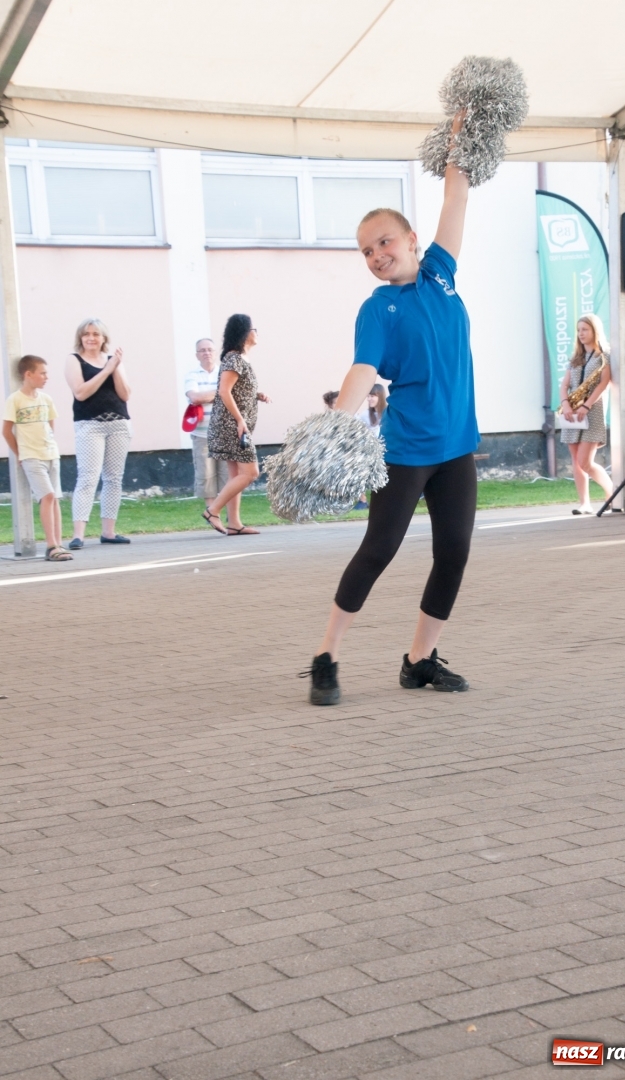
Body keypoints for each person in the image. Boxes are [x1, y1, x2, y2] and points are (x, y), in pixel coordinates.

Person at [306, 111, 478, 706]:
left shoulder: (441, 276)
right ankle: (326, 655)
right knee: (378, 550)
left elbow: (456, 193)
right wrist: (334, 427)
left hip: (457, 446)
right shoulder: (377, 309)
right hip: (406, 450)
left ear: (411, 241)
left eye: (384, 241)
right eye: (366, 251)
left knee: (453, 553)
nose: (376, 254)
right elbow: (362, 370)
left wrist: (459, 136)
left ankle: (419, 660)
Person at [65, 318, 132, 549]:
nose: (91, 338)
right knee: (88, 477)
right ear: (80, 338)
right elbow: (81, 393)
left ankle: (109, 532)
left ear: (104, 338)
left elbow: (125, 394)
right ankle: (78, 535)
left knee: (114, 478)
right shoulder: (74, 360)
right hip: (89, 425)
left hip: (119, 424)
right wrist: (107, 370)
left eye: (96, 334)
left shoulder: (113, 361)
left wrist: (115, 368)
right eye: (86, 334)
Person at [202, 314, 271, 536]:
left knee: (236, 476)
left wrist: (256, 395)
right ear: (244, 332)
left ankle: (234, 524)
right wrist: (241, 420)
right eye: (254, 328)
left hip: (235, 425)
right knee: (251, 473)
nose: (257, 332)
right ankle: (213, 510)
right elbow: (223, 391)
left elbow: (237, 389)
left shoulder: (239, 359)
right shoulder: (234, 359)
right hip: (233, 427)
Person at [2, 355, 71, 561]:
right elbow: (6, 431)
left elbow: (50, 425)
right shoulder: (15, 400)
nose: (46, 377)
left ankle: (58, 543)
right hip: (31, 456)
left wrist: (50, 445)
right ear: (28, 374)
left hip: (51, 454)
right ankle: (51, 545)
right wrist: (20, 454)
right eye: (42, 373)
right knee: (47, 496)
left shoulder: (46, 399)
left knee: (55, 498)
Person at [559, 314, 613, 516]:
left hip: (593, 412)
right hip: (571, 412)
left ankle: (612, 493)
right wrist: (565, 404)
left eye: (585, 329)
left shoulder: (604, 356)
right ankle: (585, 503)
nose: (581, 334)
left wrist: (587, 406)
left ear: (595, 331)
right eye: (579, 330)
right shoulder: (575, 358)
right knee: (575, 460)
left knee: (585, 462)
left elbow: (603, 384)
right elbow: (564, 385)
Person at [184, 338, 229, 509]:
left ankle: (229, 516)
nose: (206, 353)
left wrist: (208, 395)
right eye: (202, 350)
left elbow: (232, 396)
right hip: (201, 434)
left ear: (216, 352)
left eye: (210, 349)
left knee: (227, 476)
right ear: (197, 355)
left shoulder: (224, 374)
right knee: (206, 476)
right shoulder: (191, 375)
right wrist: (221, 393)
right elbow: (194, 397)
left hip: (224, 433)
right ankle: (212, 514)